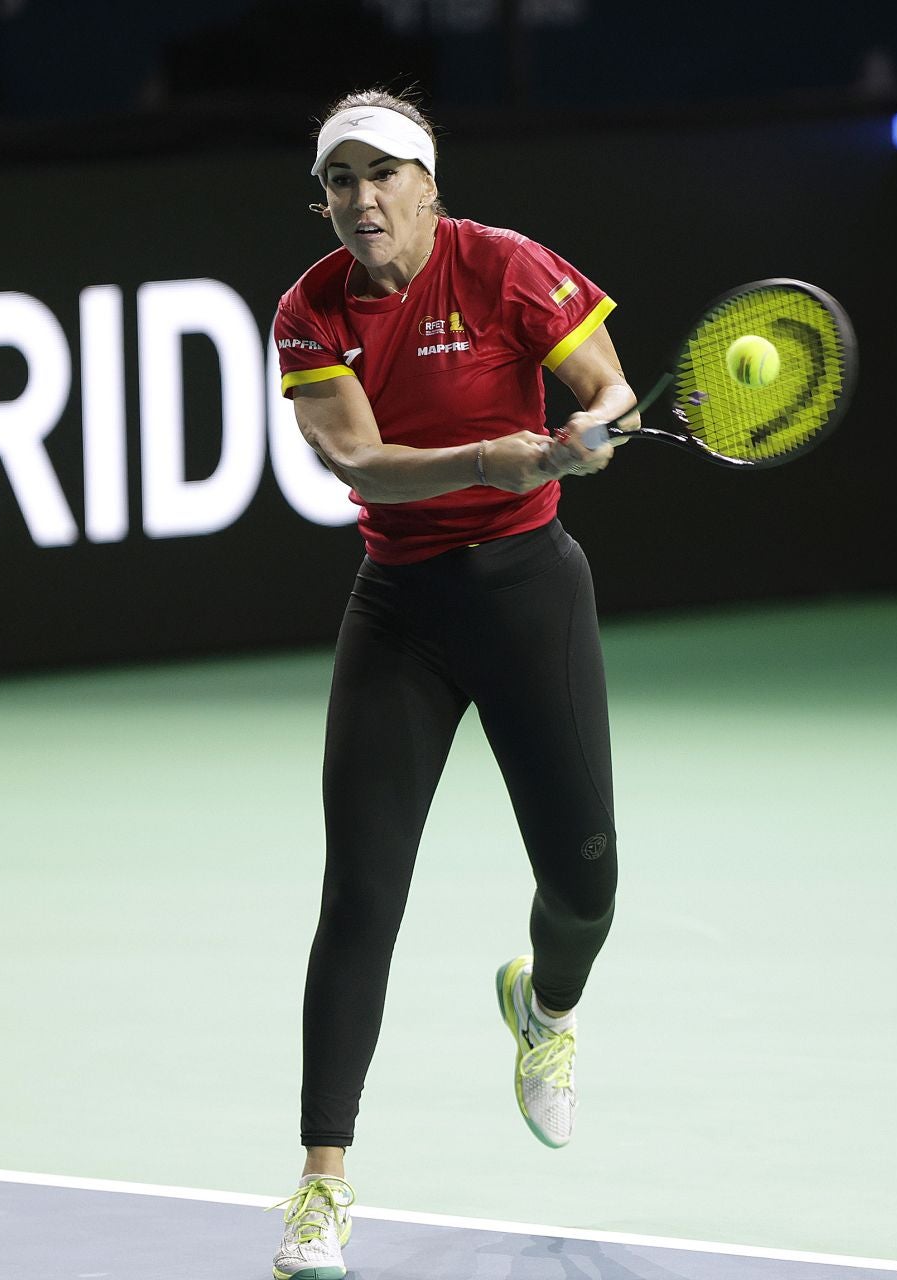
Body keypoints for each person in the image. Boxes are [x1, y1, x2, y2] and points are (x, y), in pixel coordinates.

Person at [265, 87, 635, 1279]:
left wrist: (595, 424)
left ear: (429, 185)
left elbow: (610, 388)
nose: (362, 198)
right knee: (361, 897)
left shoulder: (507, 266)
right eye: (340, 180)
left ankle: (546, 1005)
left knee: (586, 881)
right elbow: (362, 460)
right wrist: (488, 455)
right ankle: (322, 1183)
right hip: (403, 615)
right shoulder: (310, 310)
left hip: (531, 597)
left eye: (384, 174)